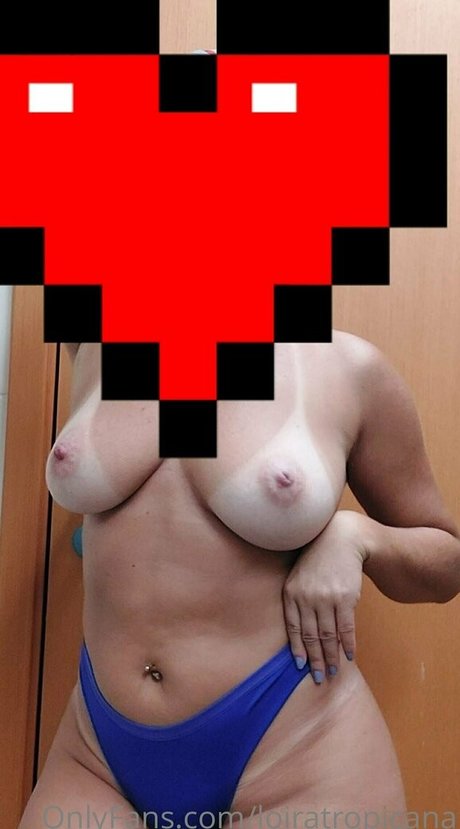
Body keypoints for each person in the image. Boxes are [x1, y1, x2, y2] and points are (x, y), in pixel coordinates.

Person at [19, 332, 460, 829]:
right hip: (97, 753)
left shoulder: (350, 368)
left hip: (297, 753)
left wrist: (357, 537)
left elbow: (448, 562)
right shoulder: (97, 344)